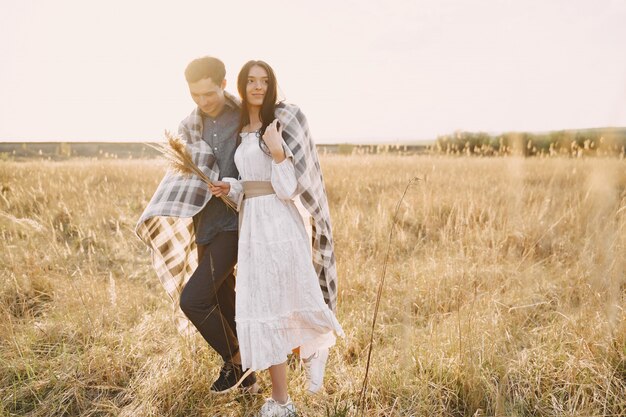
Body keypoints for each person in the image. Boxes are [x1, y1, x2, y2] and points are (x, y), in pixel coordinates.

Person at [211, 60, 344, 416]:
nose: (257, 86)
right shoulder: (242, 128)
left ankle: (315, 348)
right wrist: (230, 187)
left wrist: (279, 149)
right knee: (264, 311)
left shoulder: (277, 124)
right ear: (242, 86)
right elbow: (250, 186)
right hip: (252, 226)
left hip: (281, 226)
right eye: (251, 81)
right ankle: (281, 403)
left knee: (287, 302)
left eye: (264, 81)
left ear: (271, 85)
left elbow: (287, 189)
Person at [135, 56, 257, 394]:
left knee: (194, 299)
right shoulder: (189, 126)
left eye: (208, 93)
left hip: (236, 221)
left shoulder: (246, 116)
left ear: (223, 83)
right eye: (195, 95)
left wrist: (231, 185)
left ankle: (237, 361)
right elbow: (185, 173)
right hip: (203, 223)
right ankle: (249, 379)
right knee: (221, 298)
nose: (203, 101)